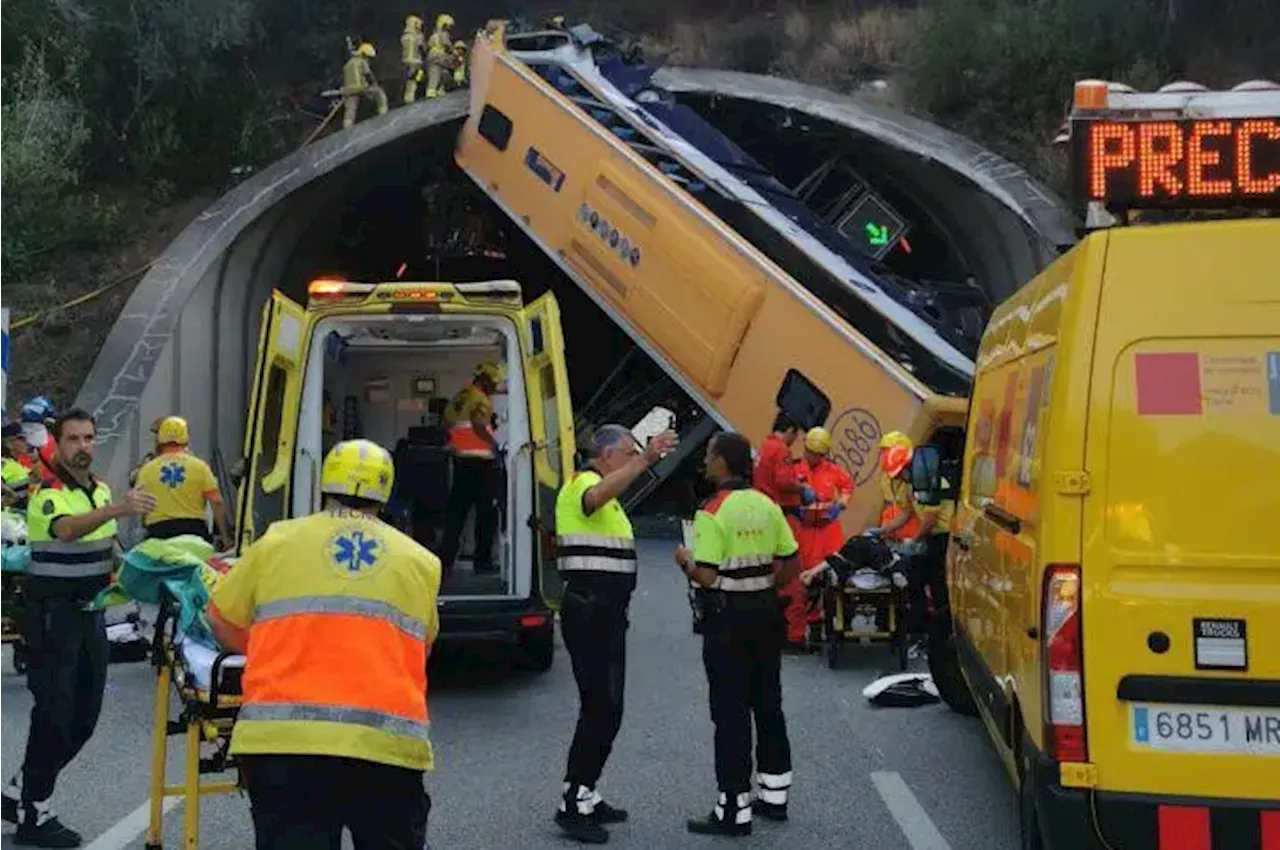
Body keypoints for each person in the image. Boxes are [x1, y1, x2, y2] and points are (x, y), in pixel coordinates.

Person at [207, 438, 440, 850]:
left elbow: (221, 616)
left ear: (325, 483)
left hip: (284, 745)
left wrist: (270, 651)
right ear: (385, 491)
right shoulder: (420, 562)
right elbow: (421, 647)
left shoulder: (277, 541)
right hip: (384, 747)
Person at [0, 409, 156, 847]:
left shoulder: (99, 490)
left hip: (91, 615)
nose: (83, 446)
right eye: (74, 439)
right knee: (53, 713)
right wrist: (119, 507)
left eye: (89, 438)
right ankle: (35, 812)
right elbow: (66, 531)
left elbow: (106, 547)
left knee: (84, 717)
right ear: (57, 442)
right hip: (54, 617)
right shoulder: (46, 491)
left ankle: (20, 791)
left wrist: (150, 570)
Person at [554, 424, 677, 844]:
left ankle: (586, 793)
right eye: (627, 454)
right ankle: (573, 802)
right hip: (590, 610)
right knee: (600, 707)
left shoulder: (609, 496)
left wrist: (641, 461)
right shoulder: (584, 484)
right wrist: (646, 460)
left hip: (605, 613)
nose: (633, 461)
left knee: (607, 708)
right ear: (606, 456)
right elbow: (595, 497)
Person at [676, 431, 799, 837]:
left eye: (710, 455)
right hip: (765, 614)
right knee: (768, 703)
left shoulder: (712, 511)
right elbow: (790, 561)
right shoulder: (767, 504)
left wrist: (684, 560)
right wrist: (763, 584)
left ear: (723, 463)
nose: (706, 461)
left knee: (730, 712)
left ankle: (733, 809)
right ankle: (775, 796)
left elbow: (707, 576)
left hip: (727, 621)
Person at [785, 427, 852, 652]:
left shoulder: (832, 470)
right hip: (804, 531)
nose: (814, 457)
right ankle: (802, 632)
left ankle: (829, 628)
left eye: (819, 454)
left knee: (832, 579)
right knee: (803, 582)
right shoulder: (794, 469)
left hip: (827, 531)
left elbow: (847, 487)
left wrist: (841, 504)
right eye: (811, 452)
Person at [439, 361, 504, 575]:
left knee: (456, 514)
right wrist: (493, 444)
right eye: (493, 383)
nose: (494, 388)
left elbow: (446, 423)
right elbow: (477, 423)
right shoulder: (480, 399)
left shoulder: (461, 396)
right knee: (486, 515)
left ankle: (446, 559)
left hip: (460, 462)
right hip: (482, 464)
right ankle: (482, 562)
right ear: (486, 380)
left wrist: (457, 443)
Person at [132, 416, 231, 547]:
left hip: (158, 536)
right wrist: (225, 538)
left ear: (159, 439)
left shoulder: (146, 469)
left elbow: (139, 503)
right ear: (186, 438)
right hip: (194, 535)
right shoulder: (199, 467)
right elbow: (217, 502)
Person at [870, 432, 920, 542]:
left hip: (910, 534)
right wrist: (884, 530)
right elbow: (888, 503)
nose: (884, 454)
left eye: (887, 450)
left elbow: (909, 511)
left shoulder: (914, 480)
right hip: (891, 532)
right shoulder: (886, 475)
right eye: (883, 450)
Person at [341, 42, 389, 130]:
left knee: (350, 109)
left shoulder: (348, 64)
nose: (369, 60)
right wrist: (375, 84)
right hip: (362, 87)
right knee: (380, 93)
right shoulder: (362, 61)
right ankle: (384, 115)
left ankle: (347, 127)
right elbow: (368, 75)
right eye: (368, 57)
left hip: (349, 91)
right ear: (364, 54)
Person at [0, 423, 34, 510]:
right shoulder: (3, 463)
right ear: (8, 444)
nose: (27, 442)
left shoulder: (17, 462)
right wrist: (11, 495)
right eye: (22, 439)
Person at [425, 14, 455, 99]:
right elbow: (446, 44)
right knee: (445, 71)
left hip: (431, 55)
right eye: (449, 26)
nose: (450, 28)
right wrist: (452, 51)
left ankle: (431, 90)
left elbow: (428, 45)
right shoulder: (444, 34)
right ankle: (441, 88)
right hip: (440, 54)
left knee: (434, 73)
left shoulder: (433, 35)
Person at [400, 15, 426, 104]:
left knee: (410, 78)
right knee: (415, 78)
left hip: (405, 61)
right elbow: (422, 48)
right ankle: (410, 98)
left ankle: (408, 97)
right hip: (416, 61)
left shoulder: (404, 36)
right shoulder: (417, 36)